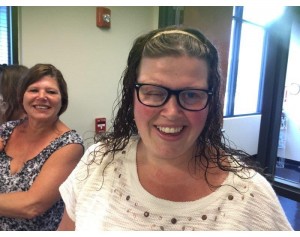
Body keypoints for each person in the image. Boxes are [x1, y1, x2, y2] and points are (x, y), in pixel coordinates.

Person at [58, 26, 293, 231]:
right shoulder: (98, 161)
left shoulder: (250, 196)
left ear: (210, 102)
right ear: (132, 95)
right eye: (153, 92)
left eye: (191, 95)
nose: (171, 112)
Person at [0, 63, 84, 230]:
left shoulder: (70, 145)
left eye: (51, 92)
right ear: (21, 97)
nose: (41, 96)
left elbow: (32, 205)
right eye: (33, 90)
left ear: (62, 101)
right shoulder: (7, 130)